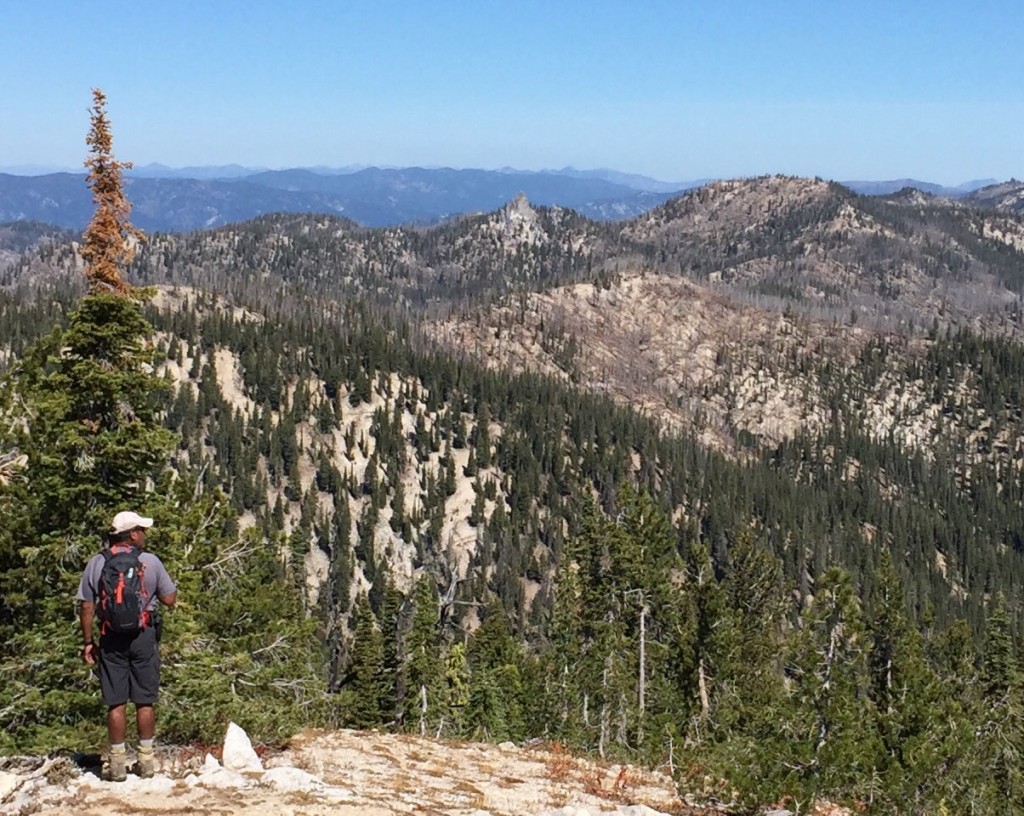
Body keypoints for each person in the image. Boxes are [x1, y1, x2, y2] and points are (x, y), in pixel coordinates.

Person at [77, 510, 177, 781]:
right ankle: (146, 762)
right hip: (144, 635)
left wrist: (88, 642)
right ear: (132, 534)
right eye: (142, 530)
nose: (144, 534)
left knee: (116, 702)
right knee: (145, 701)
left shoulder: (97, 563)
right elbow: (169, 600)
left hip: (110, 637)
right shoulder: (151, 561)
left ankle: (117, 763)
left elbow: (87, 605)